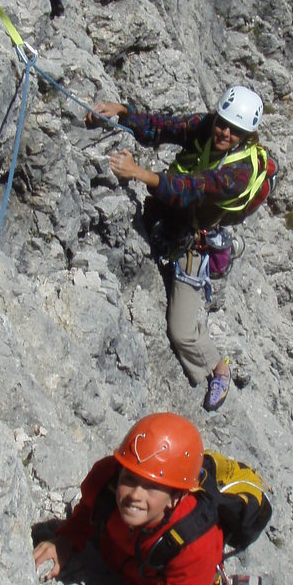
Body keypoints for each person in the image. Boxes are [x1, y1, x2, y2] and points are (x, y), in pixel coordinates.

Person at [88, 85, 271, 412]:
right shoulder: (208, 126)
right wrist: (123, 113)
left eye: (234, 130)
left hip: (194, 237)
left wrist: (139, 174)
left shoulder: (240, 173)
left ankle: (218, 368)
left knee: (182, 331)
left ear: (247, 135)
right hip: (169, 216)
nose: (224, 132)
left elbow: (193, 189)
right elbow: (166, 127)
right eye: (222, 123)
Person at [33, 413, 231, 585]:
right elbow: (88, 511)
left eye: (152, 487)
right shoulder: (106, 478)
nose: (135, 495)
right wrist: (65, 540)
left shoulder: (198, 545)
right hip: (125, 562)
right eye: (130, 478)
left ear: (177, 497)